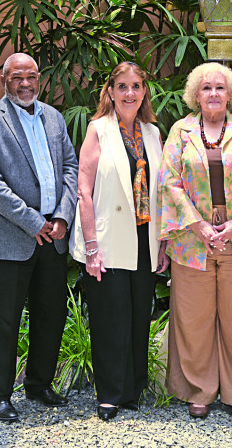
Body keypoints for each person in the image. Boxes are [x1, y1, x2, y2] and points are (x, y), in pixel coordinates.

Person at [157, 62, 232, 420]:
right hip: (193, 242)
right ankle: (198, 390)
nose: (213, 94)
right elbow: (169, 182)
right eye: (206, 88)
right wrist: (199, 227)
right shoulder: (181, 131)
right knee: (193, 320)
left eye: (220, 88)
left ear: (231, 94)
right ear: (195, 94)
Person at [0, 53, 78, 421]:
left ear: (39, 79)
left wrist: (63, 215)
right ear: (4, 80)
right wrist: (33, 221)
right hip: (12, 237)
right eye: (17, 77)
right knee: (4, 320)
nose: (26, 84)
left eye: (31, 76)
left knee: (50, 315)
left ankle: (39, 384)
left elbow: (69, 166)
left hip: (55, 234)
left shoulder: (54, 117)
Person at [70, 62, 170, 421]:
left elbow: (163, 193)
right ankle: (109, 394)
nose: (130, 93)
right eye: (123, 86)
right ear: (110, 91)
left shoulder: (154, 133)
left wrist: (163, 243)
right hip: (108, 239)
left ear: (144, 91)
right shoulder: (99, 129)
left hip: (145, 238)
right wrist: (91, 247)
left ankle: (132, 390)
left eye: (137, 86)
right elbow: (83, 189)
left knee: (139, 316)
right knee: (111, 317)